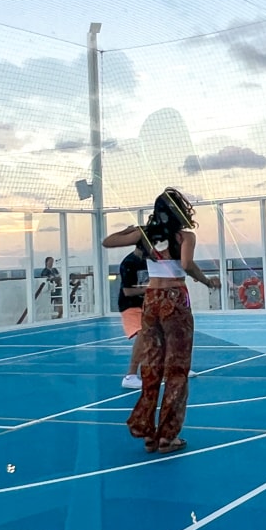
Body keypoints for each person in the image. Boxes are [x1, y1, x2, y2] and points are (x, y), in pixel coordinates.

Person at [103, 188, 220, 454]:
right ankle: (167, 436)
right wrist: (206, 280)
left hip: (152, 299)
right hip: (175, 298)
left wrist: (132, 229)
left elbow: (107, 241)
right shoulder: (185, 236)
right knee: (177, 369)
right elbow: (188, 264)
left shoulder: (145, 234)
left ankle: (146, 432)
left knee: (152, 365)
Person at [118, 241, 150, 389]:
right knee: (142, 333)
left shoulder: (150, 260)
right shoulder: (128, 263)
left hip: (147, 304)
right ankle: (130, 375)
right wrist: (150, 289)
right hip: (130, 305)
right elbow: (128, 292)